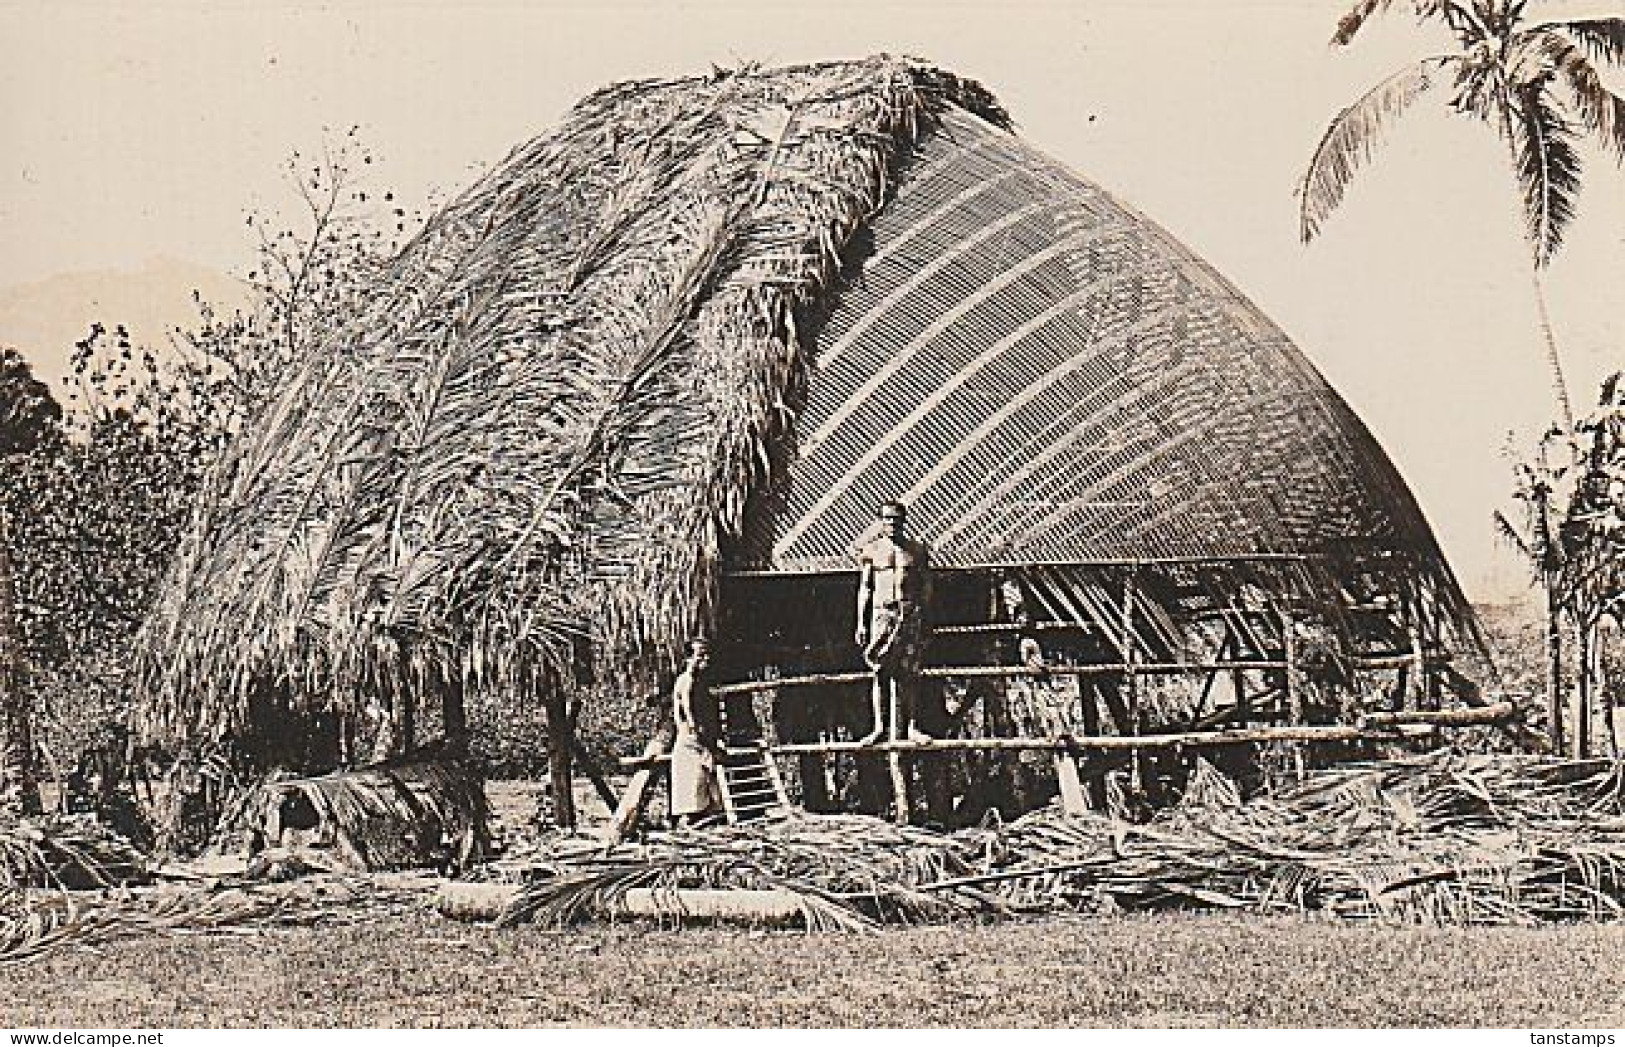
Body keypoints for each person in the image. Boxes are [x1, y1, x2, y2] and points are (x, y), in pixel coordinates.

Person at [854, 500, 934, 744]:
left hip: (909, 614)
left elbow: (926, 585)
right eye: (887, 518)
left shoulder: (916, 551)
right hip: (882, 614)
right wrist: (862, 623)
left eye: (896, 519)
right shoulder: (871, 551)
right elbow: (866, 588)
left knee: (909, 671)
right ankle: (879, 727)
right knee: (880, 672)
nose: (892, 524)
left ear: (904, 521)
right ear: (880, 521)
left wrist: (925, 616)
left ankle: (911, 726)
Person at [669, 638, 724, 827]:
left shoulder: (701, 682)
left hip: (699, 741)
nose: (705, 659)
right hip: (691, 742)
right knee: (691, 793)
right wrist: (703, 739)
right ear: (688, 658)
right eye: (700, 656)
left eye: (707, 655)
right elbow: (688, 713)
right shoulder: (686, 681)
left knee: (706, 791)